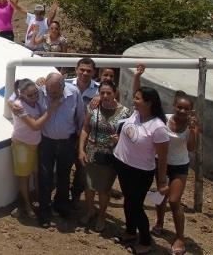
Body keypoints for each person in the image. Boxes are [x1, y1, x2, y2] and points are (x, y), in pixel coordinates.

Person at [113, 86, 170, 254]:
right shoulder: (136, 114)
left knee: (135, 206)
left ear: (149, 103)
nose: (134, 100)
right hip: (123, 165)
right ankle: (130, 231)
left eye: (138, 99)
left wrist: (161, 182)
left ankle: (145, 241)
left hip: (140, 171)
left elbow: (163, 157)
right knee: (128, 202)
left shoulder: (158, 127)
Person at [77, 80, 131, 232]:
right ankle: (90, 210)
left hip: (110, 155)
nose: (105, 96)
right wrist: (81, 149)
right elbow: (86, 128)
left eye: (109, 93)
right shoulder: (93, 107)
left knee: (104, 189)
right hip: (91, 152)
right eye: (102, 93)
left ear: (115, 93)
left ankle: (101, 215)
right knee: (88, 186)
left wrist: (120, 139)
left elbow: (130, 134)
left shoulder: (125, 112)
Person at [151, 91, 200, 255]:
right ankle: (159, 221)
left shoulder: (191, 126)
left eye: (187, 109)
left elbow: (191, 148)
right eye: (180, 107)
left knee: (174, 200)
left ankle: (180, 237)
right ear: (174, 107)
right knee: (161, 195)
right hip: (161, 162)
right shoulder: (164, 119)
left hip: (179, 165)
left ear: (191, 111)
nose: (183, 112)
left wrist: (193, 130)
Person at [34, 72, 85, 228]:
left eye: (54, 92)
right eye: (48, 91)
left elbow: (80, 117)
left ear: (63, 87)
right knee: (45, 176)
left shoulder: (74, 93)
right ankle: (44, 211)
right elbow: (19, 94)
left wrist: (78, 141)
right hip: (46, 141)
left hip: (67, 142)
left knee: (64, 176)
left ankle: (61, 206)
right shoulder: (40, 91)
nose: (50, 94)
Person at [9, 79, 55, 219]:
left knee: (37, 174)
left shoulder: (29, 98)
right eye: (31, 95)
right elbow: (34, 125)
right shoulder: (19, 106)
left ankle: (40, 203)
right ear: (21, 95)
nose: (35, 96)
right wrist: (51, 110)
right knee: (24, 178)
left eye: (36, 93)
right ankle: (27, 207)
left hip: (35, 143)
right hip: (22, 145)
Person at [66, 57, 99, 205]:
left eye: (89, 71)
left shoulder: (99, 90)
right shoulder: (64, 85)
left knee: (82, 168)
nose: (85, 73)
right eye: (82, 70)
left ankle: (75, 195)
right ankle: (63, 196)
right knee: (64, 167)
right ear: (76, 70)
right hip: (67, 134)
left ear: (94, 72)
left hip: (86, 136)